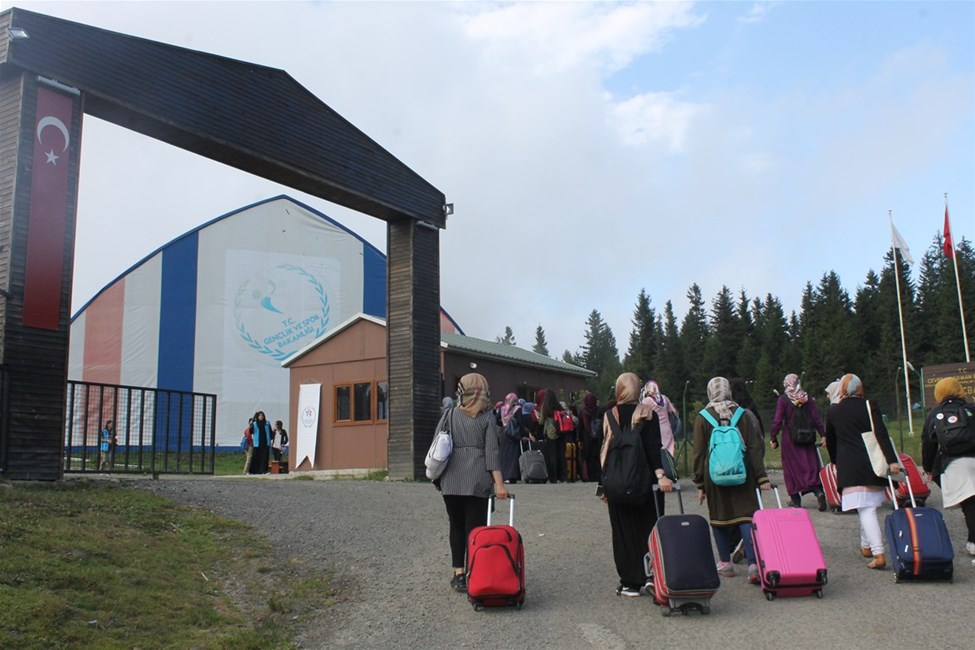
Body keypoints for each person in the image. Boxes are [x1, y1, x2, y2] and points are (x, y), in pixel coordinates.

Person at [693, 377, 771, 585]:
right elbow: (753, 447)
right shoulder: (741, 414)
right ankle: (753, 565)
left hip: (714, 476)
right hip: (742, 472)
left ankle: (725, 563)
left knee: (719, 518)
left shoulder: (703, 417)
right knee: (746, 517)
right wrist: (761, 476)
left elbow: (699, 453)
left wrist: (700, 483)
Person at [600, 372, 672, 597]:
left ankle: (630, 582)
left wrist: (603, 484)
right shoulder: (648, 413)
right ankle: (651, 574)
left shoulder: (609, 415)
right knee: (649, 527)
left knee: (622, 532)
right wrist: (661, 475)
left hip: (617, 482)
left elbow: (604, 450)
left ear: (619, 389)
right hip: (645, 483)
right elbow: (654, 448)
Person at [434, 373, 508, 593]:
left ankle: (458, 574)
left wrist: (437, 477)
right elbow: (492, 454)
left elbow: (437, 446)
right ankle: (474, 571)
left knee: (456, 525)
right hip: (478, 481)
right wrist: (500, 485)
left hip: (451, 480)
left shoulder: (449, 415)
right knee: (475, 530)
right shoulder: (487, 419)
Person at [824, 373, 900, 570]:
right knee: (867, 507)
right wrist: (891, 460)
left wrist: (835, 461)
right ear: (860, 388)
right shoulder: (869, 405)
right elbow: (881, 433)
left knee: (865, 509)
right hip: (872, 462)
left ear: (842, 389)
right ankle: (866, 546)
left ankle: (878, 552)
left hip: (848, 464)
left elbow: (831, 440)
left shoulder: (834, 411)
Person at [921, 377, 975, 565]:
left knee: (969, 504)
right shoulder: (971, 408)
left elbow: (928, 444)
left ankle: (973, 543)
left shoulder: (934, 414)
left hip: (952, 466)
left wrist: (927, 467)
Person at [770, 373, 828, 511]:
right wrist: (823, 434)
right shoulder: (806, 397)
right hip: (807, 435)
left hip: (790, 438)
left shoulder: (783, 399)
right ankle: (818, 492)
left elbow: (778, 420)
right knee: (810, 464)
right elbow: (816, 417)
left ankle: (795, 499)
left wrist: (773, 437)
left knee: (791, 468)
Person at [640, 380, 679, 515]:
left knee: (658, 453)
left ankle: (660, 477)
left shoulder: (647, 401)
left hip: (657, 429)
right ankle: (671, 476)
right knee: (669, 454)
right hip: (667, 429)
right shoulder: (665, 398)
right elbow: (673, 411)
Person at [532, 388, 566, 483]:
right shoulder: (559, 406)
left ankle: (553, 478)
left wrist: (537, 415)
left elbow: (541, 422)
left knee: (552, 455)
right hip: (561, 432)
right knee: (561, 455)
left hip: (551, 433)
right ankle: (563, 477)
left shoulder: (545, 407)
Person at [498, 392, 523, 484]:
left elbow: (496, 420)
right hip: (513, 434)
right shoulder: (517, 409)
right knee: (512, 456)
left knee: (503, 455)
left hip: (504, 434)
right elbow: (520, 421)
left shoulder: (502, 409)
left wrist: (504, 423)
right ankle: (511, 476)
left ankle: (504, 476)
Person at [579, 392, 601, 484]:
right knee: (597, 456)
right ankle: (597, 475)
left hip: (587, 437)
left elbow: (580, 427)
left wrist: (580, 440)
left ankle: (590, 476)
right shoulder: (599, 410)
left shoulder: (583, 411)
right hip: (598, 436)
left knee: (588, 457)